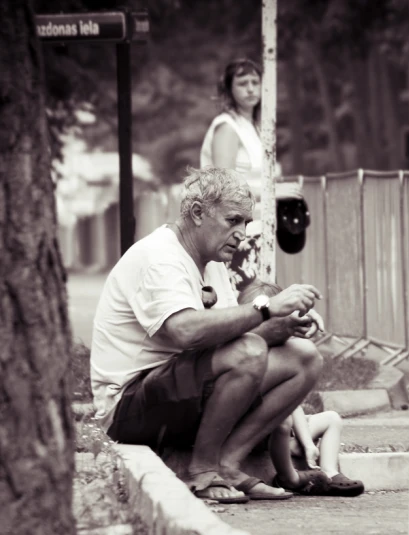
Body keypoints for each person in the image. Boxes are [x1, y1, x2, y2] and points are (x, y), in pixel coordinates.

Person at [90, 166, 324, 504]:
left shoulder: (212, 260)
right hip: (128, 407)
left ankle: (228, 464)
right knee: (248, 352)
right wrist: (266, 308)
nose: (242, 232)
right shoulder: (160, 258)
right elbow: (184, 331)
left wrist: (281, 327)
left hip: (180, 391)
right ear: (198, 213)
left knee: (303, 357)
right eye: (233, 220)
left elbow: (227, 334)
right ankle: (201, 471)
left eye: (246, 221)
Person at [239, 281, 365, 498]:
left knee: (332, 419)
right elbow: (284, 408)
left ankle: (329, 472)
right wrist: (307, 443)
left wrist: (306, 443)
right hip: (261, 432)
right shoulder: (251, 354)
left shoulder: (286, 352)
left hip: (287, 430)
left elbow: (292, 402)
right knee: (284, 422)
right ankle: (288, 474)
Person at [200, 57, 303, 293]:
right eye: (242, 83)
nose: (250, 89)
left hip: (257, 227)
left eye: (255, 82)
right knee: (245, 300)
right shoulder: (227, 126)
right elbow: (223, 182)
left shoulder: (256, 128)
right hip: (232, 231)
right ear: (228, 88)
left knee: (260, 296)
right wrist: (272, 193)